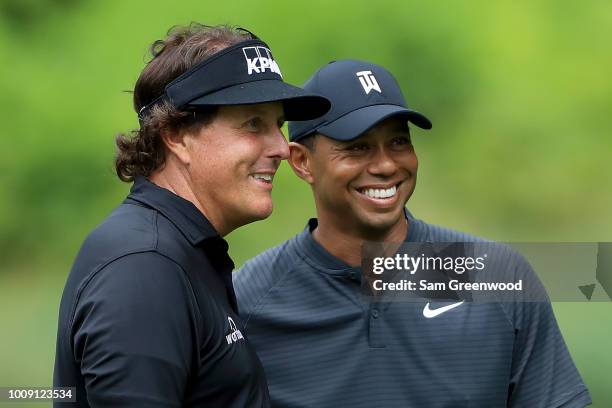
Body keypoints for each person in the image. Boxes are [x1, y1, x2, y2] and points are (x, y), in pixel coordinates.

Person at [233, 59, 592, 407]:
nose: (386, 164)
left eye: (399, 142)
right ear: (302, 162)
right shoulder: (246, 302)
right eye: (358, 147)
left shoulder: (498, 277)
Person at [53, 23, 330, 407]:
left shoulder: (178, 251)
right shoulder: (143, 268)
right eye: (254, 123)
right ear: (177, 134)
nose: (282, 148)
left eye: (278, 125)